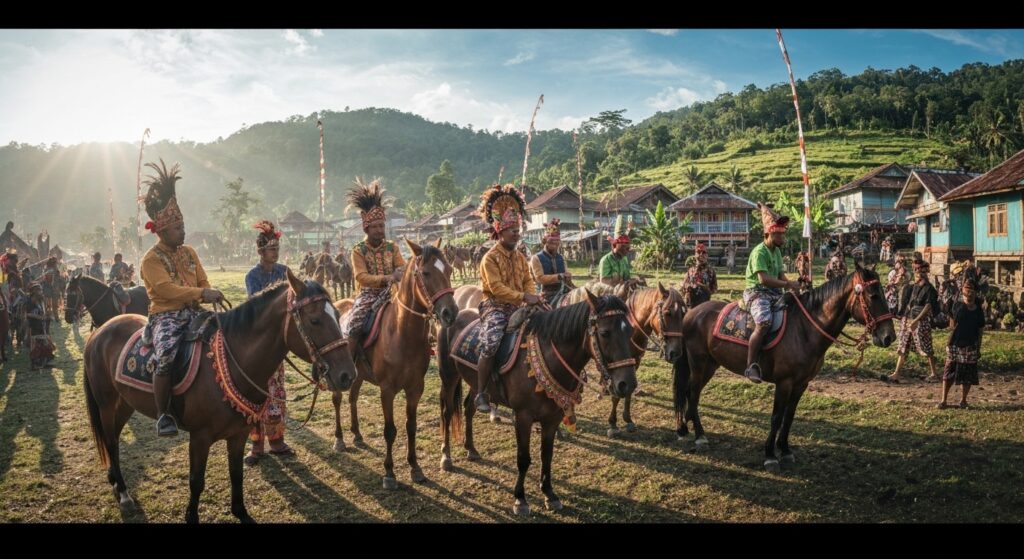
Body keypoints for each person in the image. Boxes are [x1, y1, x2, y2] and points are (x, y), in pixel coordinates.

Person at [140, 159, 223, 436]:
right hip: (166, 316)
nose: (183, 231)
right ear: (162, 230)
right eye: (177, 228)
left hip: (194, 311)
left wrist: (207, 292)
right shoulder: (151, 259)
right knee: (166, 355)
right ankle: (163, 414)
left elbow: (203, 280)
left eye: (183, 225)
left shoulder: (189, 252)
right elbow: (166, 290)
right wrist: (202, 293)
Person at [474, 183, 538, 412]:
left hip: (519, 305)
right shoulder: (489, 258)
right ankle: (481, 392)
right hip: (495, 308)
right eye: (513, 231)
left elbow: (528, 280)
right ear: (500, 231)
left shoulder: (521, 257)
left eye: (518, 231)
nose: (517, 234)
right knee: (491, 343)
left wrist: (533, 295)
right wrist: (524, 296)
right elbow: (497, 288)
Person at [243, 220, 293, 465]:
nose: (276, 252)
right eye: (272, 249)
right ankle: (256, 444)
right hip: (257, 340)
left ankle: (276, 440)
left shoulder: (284, 272)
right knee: (256, 393)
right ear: (261, 252)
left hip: (277, 342)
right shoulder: (252, 276)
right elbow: (255, 306)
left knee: (276, 391)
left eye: (277, 248)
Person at [345, 177, 405, 369]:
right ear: (367, 228)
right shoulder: (358, 250)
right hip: (368, 297)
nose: (380, 230)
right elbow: (361, 277)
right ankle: (349, 365)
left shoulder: (392, 247)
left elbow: (401, 268)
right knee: (354, 325)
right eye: (376, 227)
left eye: (382, 226)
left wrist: (402, 273)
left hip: (393, 294)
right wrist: (388, 278)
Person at [742, 203, 801, 383]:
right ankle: (751, 365)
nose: (783, 237)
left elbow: (780, 274)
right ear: (769, 233)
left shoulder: (776, 251)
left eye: (783, 233)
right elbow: (763, 279)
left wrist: (794, 285)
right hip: (757, 292)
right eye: (779, 234)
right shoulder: (759, 252)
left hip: (774, 292)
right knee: (764, 322)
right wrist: (787, 283)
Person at [889, 256, 939, 383]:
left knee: (926, 347)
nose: (917, 273)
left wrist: (916, 320)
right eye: (916, 270)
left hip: (920, 320)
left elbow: (928, 306)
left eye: (919, 270)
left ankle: (934, 373)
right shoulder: (912, 287)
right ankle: (896, 373)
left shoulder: (929, 289)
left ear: (924, 272)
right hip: (908, 318)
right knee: (903, 346)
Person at [938, 280, 985, 409]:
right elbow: (952, 324)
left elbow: (980, 330)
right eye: (966, 288)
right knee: (948, 373)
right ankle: (944, 400)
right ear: (963, 290)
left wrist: (978, 348)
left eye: (971, 289)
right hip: (955, 344)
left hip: (970, 346)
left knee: (967, 375)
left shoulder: (978, 310)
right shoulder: (956, 305)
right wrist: (949, 342)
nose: (968, 291)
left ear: (975, 292)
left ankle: (963, 401)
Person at [529, 219, 572, 306]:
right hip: (544, 294)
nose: (555, 244)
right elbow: (540, 278)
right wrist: (559, 276)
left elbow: (567, 279)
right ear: (545, 242)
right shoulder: (536, 258)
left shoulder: (561, 258)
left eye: (557, 242)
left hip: (563, 292)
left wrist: (569, 280)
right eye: (552, 242)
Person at [25, 283, 55, 370]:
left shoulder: (41, 301)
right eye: (39, 290)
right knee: (36, 345)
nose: (41, 292)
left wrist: (48, 316)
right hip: (34, 326)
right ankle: (35, 364)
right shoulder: (29, 302)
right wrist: (38, 317)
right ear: (34, 292)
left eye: (41, 290)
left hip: (42, 325)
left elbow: (43, 312)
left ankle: (45, 362)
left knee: (45, 343)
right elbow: (27, 314)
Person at [599, 215, 632, 287]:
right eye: (623, 246)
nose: (627, 250)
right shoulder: (606, 260)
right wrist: (620, 283)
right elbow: (604, 283)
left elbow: (627, 278)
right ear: (615, 245)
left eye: (627, 247)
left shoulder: (624, 259)